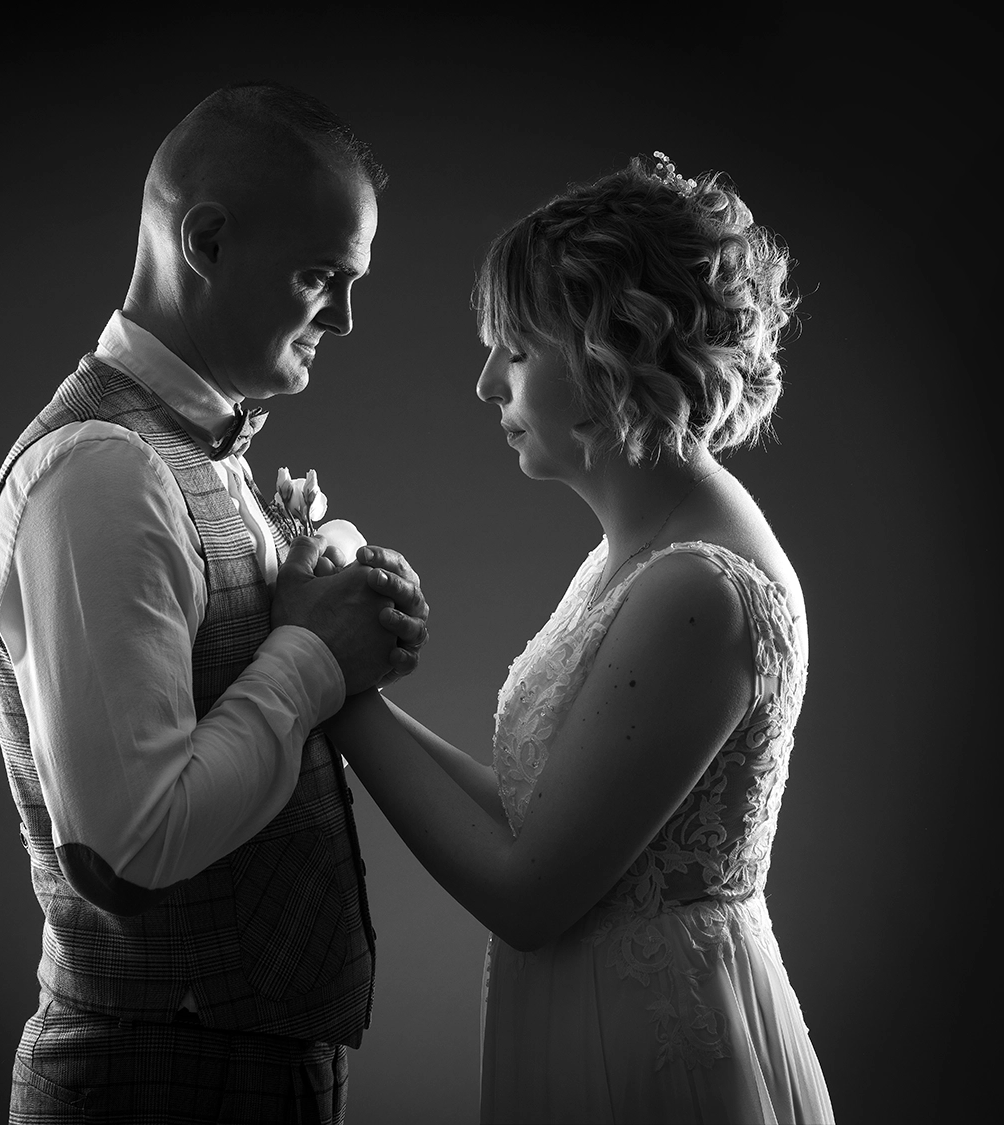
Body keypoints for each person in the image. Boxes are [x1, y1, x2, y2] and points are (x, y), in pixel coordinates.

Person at [318, 153, 835, 1122]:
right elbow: (536, 817)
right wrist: (358, 691)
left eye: (516, 350)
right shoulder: (638, 550)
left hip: (651, 1058)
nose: (484, 385)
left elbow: (530, 894)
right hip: (594, 1019)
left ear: (613, 348)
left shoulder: (700, 593)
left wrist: (334, 689)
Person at [0, 82, 430, 1123]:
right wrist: (314, 657)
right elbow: (128, 849)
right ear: (208, 240)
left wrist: (336, 581)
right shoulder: (101, 474)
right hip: (158, 1085)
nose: (346, 320)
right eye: (322, 277)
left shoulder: (186, 451)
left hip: (235, 1071)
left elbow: (236, 665)